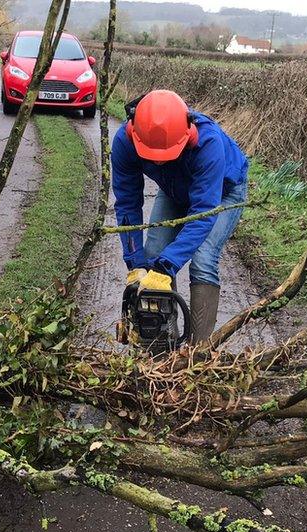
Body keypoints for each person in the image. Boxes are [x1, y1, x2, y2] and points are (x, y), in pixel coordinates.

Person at [112, 89, 249, 344]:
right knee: (152, 254)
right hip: (174, 190)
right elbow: (128, 203)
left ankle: (199, 352)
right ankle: (160, 342)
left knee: (203, 258)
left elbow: (203, 214)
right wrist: (136, 263)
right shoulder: (125, 142)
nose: (160, 163)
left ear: (189, 136)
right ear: (135, 134)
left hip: (223, 192)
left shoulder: (207, 142)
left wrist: (167, 267)